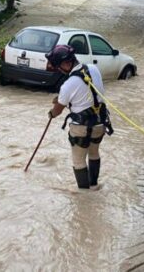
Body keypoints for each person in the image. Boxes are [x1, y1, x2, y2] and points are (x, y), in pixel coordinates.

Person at [46, 45, 113, 190]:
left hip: (80, 128)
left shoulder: (68, 85)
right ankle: (94, 185)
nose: (59, 70)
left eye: (59, 67)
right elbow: (88, 93)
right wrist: (62, 99)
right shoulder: (93, 69)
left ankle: (84, 195)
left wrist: (51, 113)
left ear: (66, 63)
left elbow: (57, 111)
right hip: (100, 124)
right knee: (94, 153)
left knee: (78, 160)